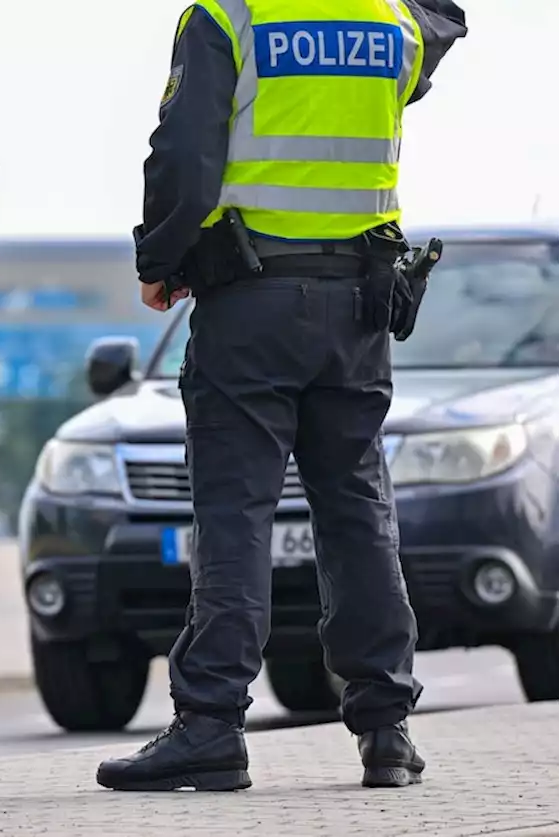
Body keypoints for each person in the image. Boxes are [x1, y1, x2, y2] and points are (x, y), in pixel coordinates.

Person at [96, 0, 467, 793]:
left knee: (235, 514)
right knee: (357, 509)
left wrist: (158, 257)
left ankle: (210, 727)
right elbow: (446, 19)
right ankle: (386, 728)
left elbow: (185, 155)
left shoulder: (228, 18)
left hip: (253, 300)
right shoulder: (396, 25)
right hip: (361, 303)